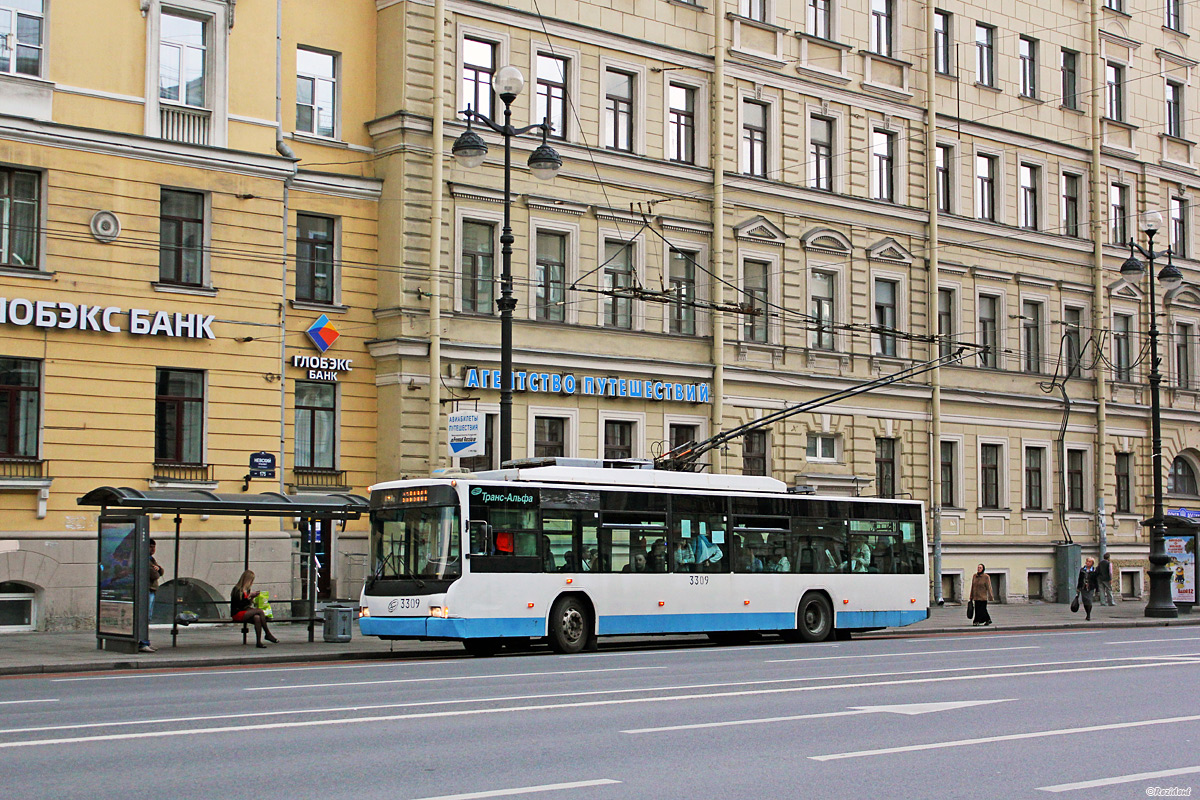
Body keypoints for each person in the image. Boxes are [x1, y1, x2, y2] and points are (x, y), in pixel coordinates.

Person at [230, 570, 279, 648]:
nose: (251, 583)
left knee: (257, 618)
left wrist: (252, 597)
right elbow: (240, 604)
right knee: (259, 611)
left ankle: (258, 642)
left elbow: (247, 604)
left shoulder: (247, 590)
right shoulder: (237, 590)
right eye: (251, 580)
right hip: (237, 613)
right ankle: (268, 633)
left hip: (245, 611)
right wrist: (249, 596)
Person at [139, 538, 165, 653]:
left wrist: (158, 569)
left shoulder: (151, 559)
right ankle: (142, 642)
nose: (153, 549)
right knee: (145, 617)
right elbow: (154, 574)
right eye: (151, 547)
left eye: (154, 547)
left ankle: (145, 641)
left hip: (152, 590)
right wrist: (157, 570)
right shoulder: (144, 558)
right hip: (147, 590)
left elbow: (160, 571)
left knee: (148, 617)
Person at [1077, 557, 1099, 621]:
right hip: (1083, 587)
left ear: (1092, 563)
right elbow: (1080, 579)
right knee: (1085, 601)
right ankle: (1087, 612)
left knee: (1089, 600)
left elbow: (1096, 580)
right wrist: (1078, 588)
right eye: (1087, 561)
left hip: (1091, 587)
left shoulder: (1094, 571)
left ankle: (1088, 614)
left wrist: (1097, 589)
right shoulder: (1082, 570)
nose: (1087, 563)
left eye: (1089, 562)